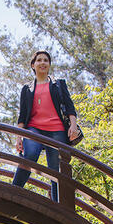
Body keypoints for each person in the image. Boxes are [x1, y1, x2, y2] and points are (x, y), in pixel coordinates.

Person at [12, 50, 79, 202]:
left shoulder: (58, 84)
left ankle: (58, 206)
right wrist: (19, 137)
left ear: (49, 65)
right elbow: (22, 115)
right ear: (33, 65)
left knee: (55, 170)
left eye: (46, 60)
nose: (42, 63)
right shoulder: (27, 88)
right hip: (34, 128)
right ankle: (13, 191)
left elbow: (69, 107)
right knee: (30, 154)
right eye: (39, 60)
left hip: (57, 130)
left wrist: (73, 125)